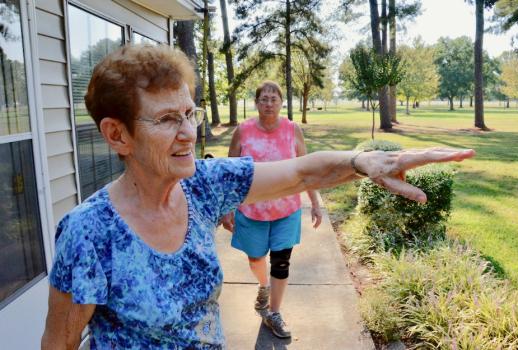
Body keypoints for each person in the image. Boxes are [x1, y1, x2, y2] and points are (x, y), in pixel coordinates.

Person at [41, 44, 475, 349]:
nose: (189, 133)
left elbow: (301, 171)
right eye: (168, 119)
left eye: (191, 113)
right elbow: (59, 344)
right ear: (118, 134)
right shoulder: (88, 233)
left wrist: (363, 162)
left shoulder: (202, 186)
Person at [220, 81, 322, 339]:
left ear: (281, 102)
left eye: (273, 99)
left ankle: (273, 313)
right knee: (255, 259)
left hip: (286, 210)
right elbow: (230, 173)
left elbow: (306, 169)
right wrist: (226, 208)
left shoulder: (292, 130)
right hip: (251, 211)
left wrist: (315, 203)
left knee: (281, 261)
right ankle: (263, 286)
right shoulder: (243, 131)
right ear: (256, 103)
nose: (268, 103)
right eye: (263, 99)